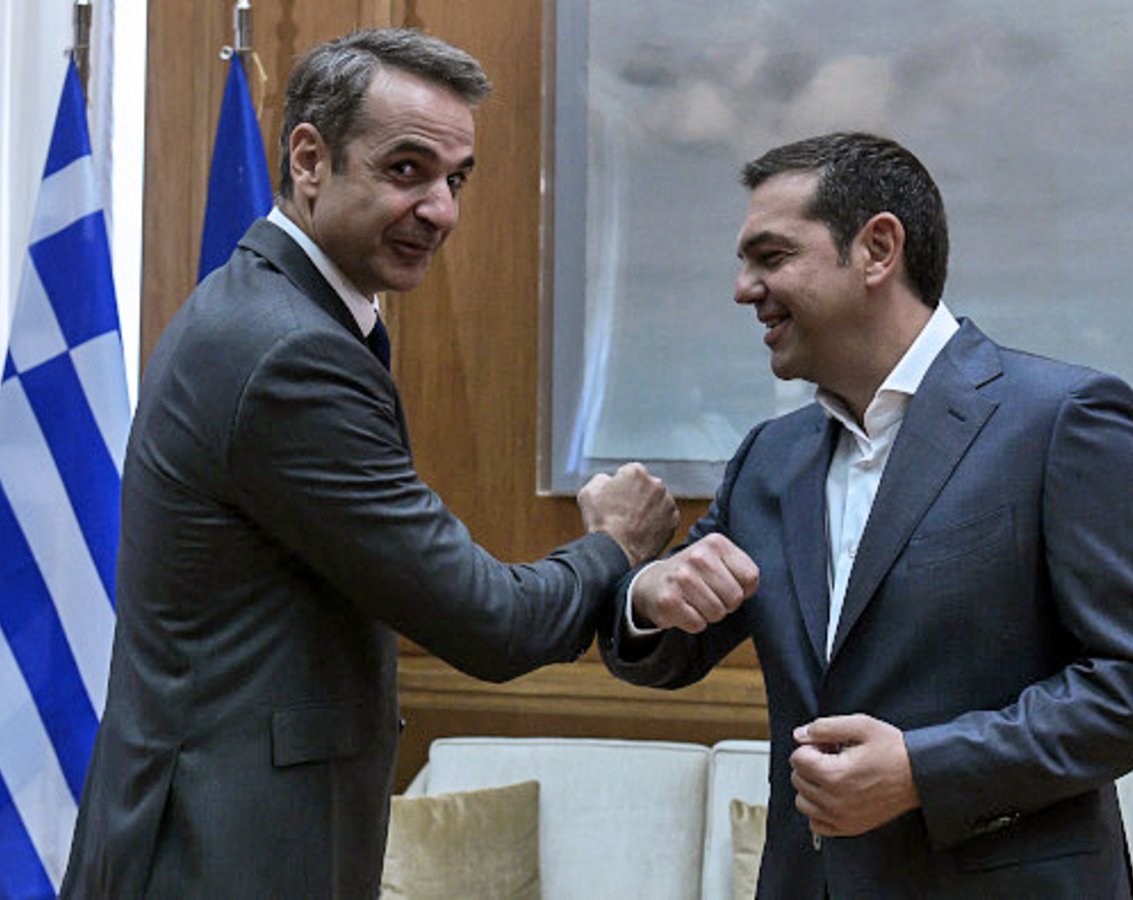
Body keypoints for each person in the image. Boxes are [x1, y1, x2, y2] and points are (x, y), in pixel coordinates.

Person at [62, 28, 678, 899]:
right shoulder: (289, 353)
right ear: (310, 159)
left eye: (455, 179)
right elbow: (489, 622)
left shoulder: (271, 312)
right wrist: (615, 545)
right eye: (407, 170)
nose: (441, 210)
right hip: (220, 862)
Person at [601, 131, 1133, 897]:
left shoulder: (1063, 420)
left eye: (771, 257)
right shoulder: (768, 459)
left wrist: (924, 770)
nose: (744, 289)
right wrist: (645, 596)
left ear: (878, 250)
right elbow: (669, 654)